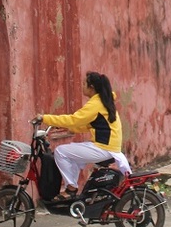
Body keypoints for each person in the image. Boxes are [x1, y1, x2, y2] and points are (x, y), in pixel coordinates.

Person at [35, 71, 131, 200]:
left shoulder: (95, 104)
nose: (82, 86)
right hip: (108, 147)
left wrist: (45, 118)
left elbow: (75, 119)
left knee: (61, 152)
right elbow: (90, 124)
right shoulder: (103, 101)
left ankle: (71, 189)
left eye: (84, 83)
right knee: (71, 155)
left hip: (103, 148)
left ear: (92, 87)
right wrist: (70, 128)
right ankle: (72, 188)